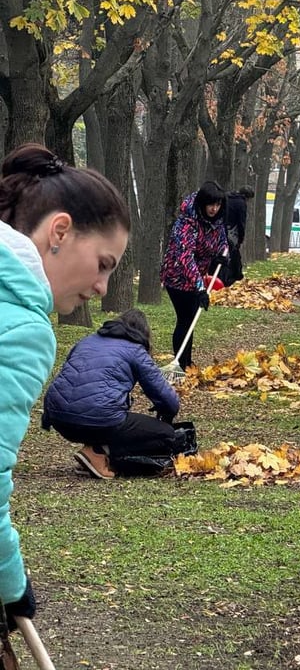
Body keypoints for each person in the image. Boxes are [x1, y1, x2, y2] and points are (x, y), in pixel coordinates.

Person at [0, 143, 130, 631]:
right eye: (103, 263)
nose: (101, 287)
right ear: (59, 231)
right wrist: (11, 584)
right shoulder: (22, 330)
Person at [42, 309, 182, 479]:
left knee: (98, 414)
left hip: (59, 418)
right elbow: (167, 398)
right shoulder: (135, 350)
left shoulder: (87, 341)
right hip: (99, 419)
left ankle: (93, 452)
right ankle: (98, 452)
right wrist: (165, 412)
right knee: (166, 435)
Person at [160, 180, 228, 370]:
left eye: (217, 204)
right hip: (177, 276)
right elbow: (185, 256)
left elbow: (222, 241)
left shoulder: (217, 220)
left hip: (197, 275)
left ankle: (186, 362)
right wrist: (200, 288)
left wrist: (222, 255)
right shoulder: (187, 222)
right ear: (202, 203)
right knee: (185, 318)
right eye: (210, 204)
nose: (214, 209)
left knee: (190, 319)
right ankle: (181, 364)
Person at [222, 186, 254, 287]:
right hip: (231, 232)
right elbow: (241, 222)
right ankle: (232, 277)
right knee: (232, 255)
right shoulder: (241, 203)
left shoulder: (227, 197)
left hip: (221, 229)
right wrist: (241, 238)